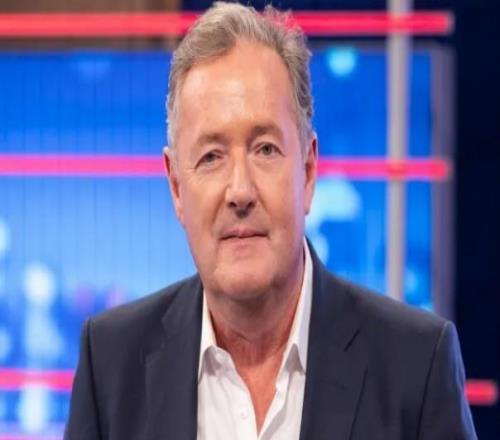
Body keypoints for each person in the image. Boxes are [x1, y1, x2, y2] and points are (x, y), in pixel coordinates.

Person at [64, 2, 476, 439]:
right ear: (177, 187)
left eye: (265, 149)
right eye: (211, 157)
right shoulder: (110, 366)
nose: (240, 191)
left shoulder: (417, 367)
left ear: (309, 171)